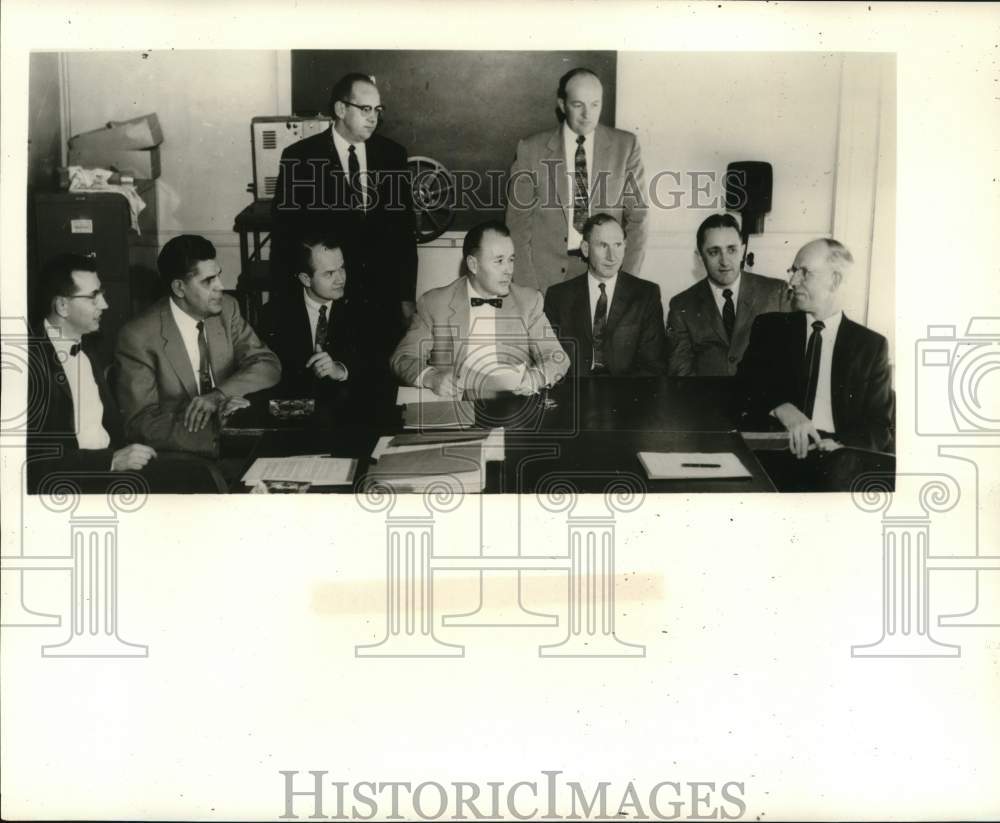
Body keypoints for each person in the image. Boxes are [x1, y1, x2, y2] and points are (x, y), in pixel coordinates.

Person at [271, 72, 417, 351]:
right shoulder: (300, 158)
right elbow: (284, 239)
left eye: (377, 110)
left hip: (380, 300)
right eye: (365, 109)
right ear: (340, 109)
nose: (373, 117)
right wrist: (285, 302)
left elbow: (404, 235)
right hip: (329, 301)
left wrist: (406, 297)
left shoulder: (392, 155)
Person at [115, 235, 281, 456]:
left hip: (241, 441)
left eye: (218, 276)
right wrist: (220, 431)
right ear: (179, 288)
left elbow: (267, 364)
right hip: (184, 455)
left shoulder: (227, 310)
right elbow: (140, 423)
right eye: (208, 281)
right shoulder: (138, 336)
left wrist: (219, 395)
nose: (220, 287)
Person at [737, 238, 894, 457]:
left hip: (839, 459)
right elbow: (743, 387)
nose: (792, 280)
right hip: (780, 454)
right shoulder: (771, 328)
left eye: (804, 272)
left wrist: (841, 446)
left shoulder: (871, 346)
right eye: (793, 270)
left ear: (835, 281)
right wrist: (781, 408)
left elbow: (879, 427)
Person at [506, 67, 647, 294]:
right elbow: (518, 225)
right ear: (562, 105)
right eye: (577, 105)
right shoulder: (531, 150)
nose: (587, 115)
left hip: (605, 276)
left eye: (595, 104)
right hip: (546, 279)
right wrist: (528, 290)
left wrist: (625, 281)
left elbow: (638, 220)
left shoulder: (626, 147)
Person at [391, 221, 569, 396]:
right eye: (499, 261)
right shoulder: (434, 303)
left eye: (511, 259)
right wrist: (432, 378)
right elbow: (402, 358)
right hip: (455, 404)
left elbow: (557, 356)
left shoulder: (529, 301)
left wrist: (535, 378)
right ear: (473, 265)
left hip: (511, 405)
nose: (509, 270)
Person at [26, 253, 157, 492]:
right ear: (62, 306)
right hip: (75, 488)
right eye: (93, 297)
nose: (105, 305)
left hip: (110, 475)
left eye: (102, 294)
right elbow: (32, 464)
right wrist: (110, 461)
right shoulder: (29, 364)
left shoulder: (86, 349)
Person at [666, 213, 790, 376]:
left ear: (743, 250)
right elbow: (681, 372)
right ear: (700, 256)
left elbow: (790, 361)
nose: (725, 261)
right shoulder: (681, 305)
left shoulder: (776, 292)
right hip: (706, 399)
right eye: (714, 252)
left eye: (732, 250)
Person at [543, 213, 665, 377]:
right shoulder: (558, 297)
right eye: (603, 245)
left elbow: (653, 365)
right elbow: (550, 360)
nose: (612, 256)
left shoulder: (646, 295)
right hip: (575, 394)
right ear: (585, 249)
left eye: (617, 245)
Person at [257, 229, 361, 399]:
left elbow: (375, 364)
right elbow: (270, 373)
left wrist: (340, 370)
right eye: (329, 273)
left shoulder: (361, 309)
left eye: (342, 268)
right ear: (306, 279)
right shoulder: (274, 314)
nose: (341, 279)